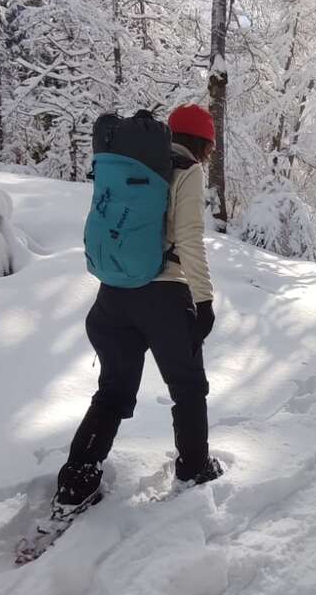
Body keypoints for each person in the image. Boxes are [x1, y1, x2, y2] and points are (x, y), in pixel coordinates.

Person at [53, 104, 224, 517]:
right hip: (164, 297)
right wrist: (203, 299)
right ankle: (194, 467)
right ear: (203, 144)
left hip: (113, 294)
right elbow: (188, 237)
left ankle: (76, 482)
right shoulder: (188, 170)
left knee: (112, 391)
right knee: (187, 387)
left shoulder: (134, 166)